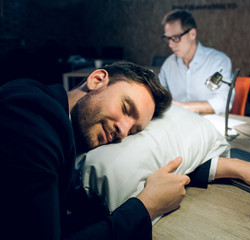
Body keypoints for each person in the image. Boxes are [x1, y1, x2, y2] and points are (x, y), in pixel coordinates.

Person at [0, 61, 190, 239]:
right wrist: (147, 206)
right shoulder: (34, 115)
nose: (123, 131)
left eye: (133, 130)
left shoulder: (62, 131)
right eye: (125, 107)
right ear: (97, 80)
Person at [158, 9, 233, 114]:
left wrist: (182, 107)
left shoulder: (218, 61)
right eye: (168, 39)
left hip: (208, 125)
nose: (170, 45)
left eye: (175, 37)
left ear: (192, 34)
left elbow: (223, 102)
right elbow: (158, 96)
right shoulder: (168, 64)